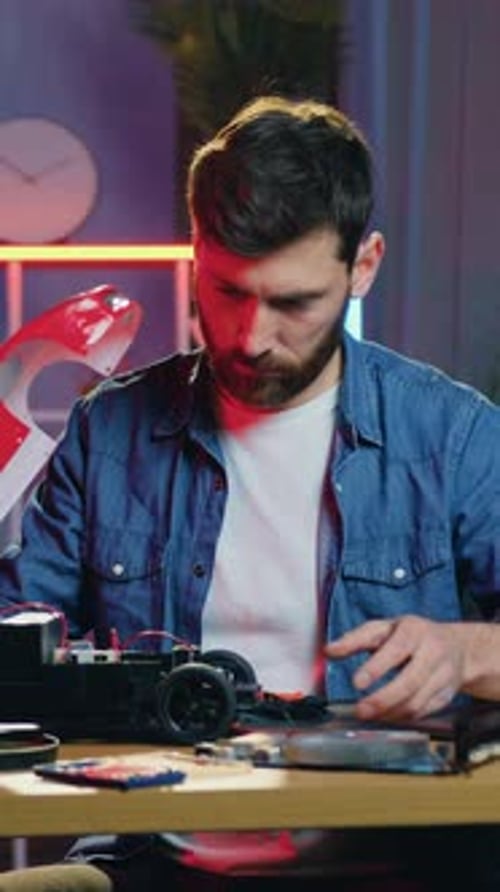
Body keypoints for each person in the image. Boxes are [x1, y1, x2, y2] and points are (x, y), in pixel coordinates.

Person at [0, 94, 499, 892]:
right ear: (197, 251)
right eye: (228, 292)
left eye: (294, 303)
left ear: (362, 265)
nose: (251, 337)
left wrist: (472, 651)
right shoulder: (111, 429)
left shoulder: (454, 437)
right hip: (149, 853)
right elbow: (18, 639)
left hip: (397, 856)